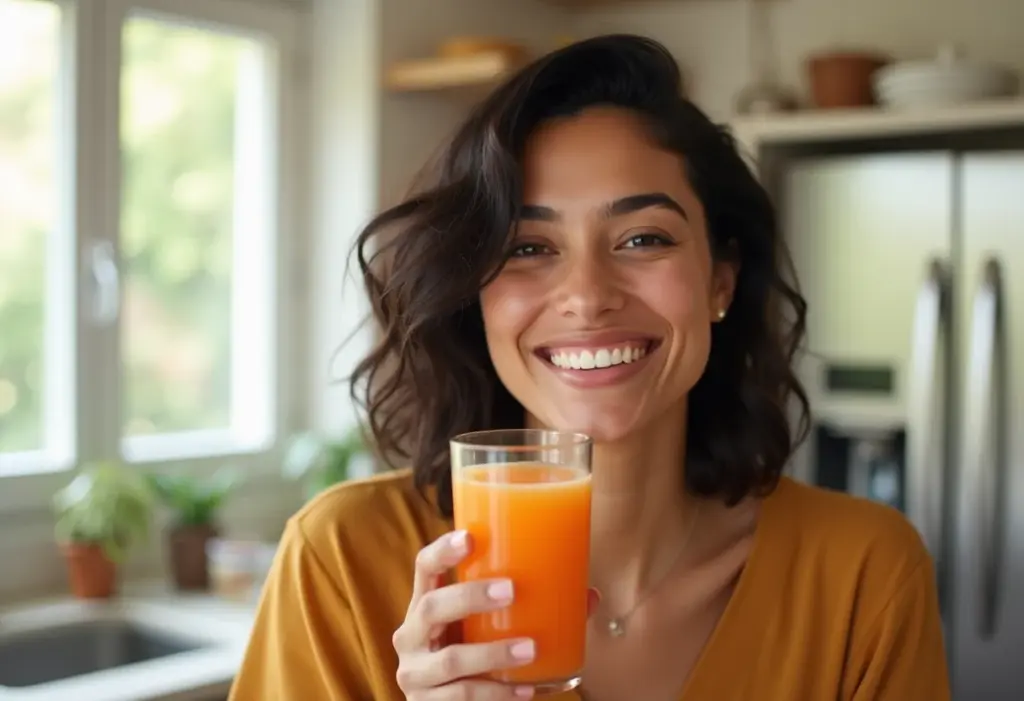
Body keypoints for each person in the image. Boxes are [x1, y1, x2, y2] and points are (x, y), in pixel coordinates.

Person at [228, 35, 950, 701]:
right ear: (475, 295)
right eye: (528, 247)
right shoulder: (341, 563)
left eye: (642, 237)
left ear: (720, 281)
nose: (588, 296)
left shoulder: (864, 575)